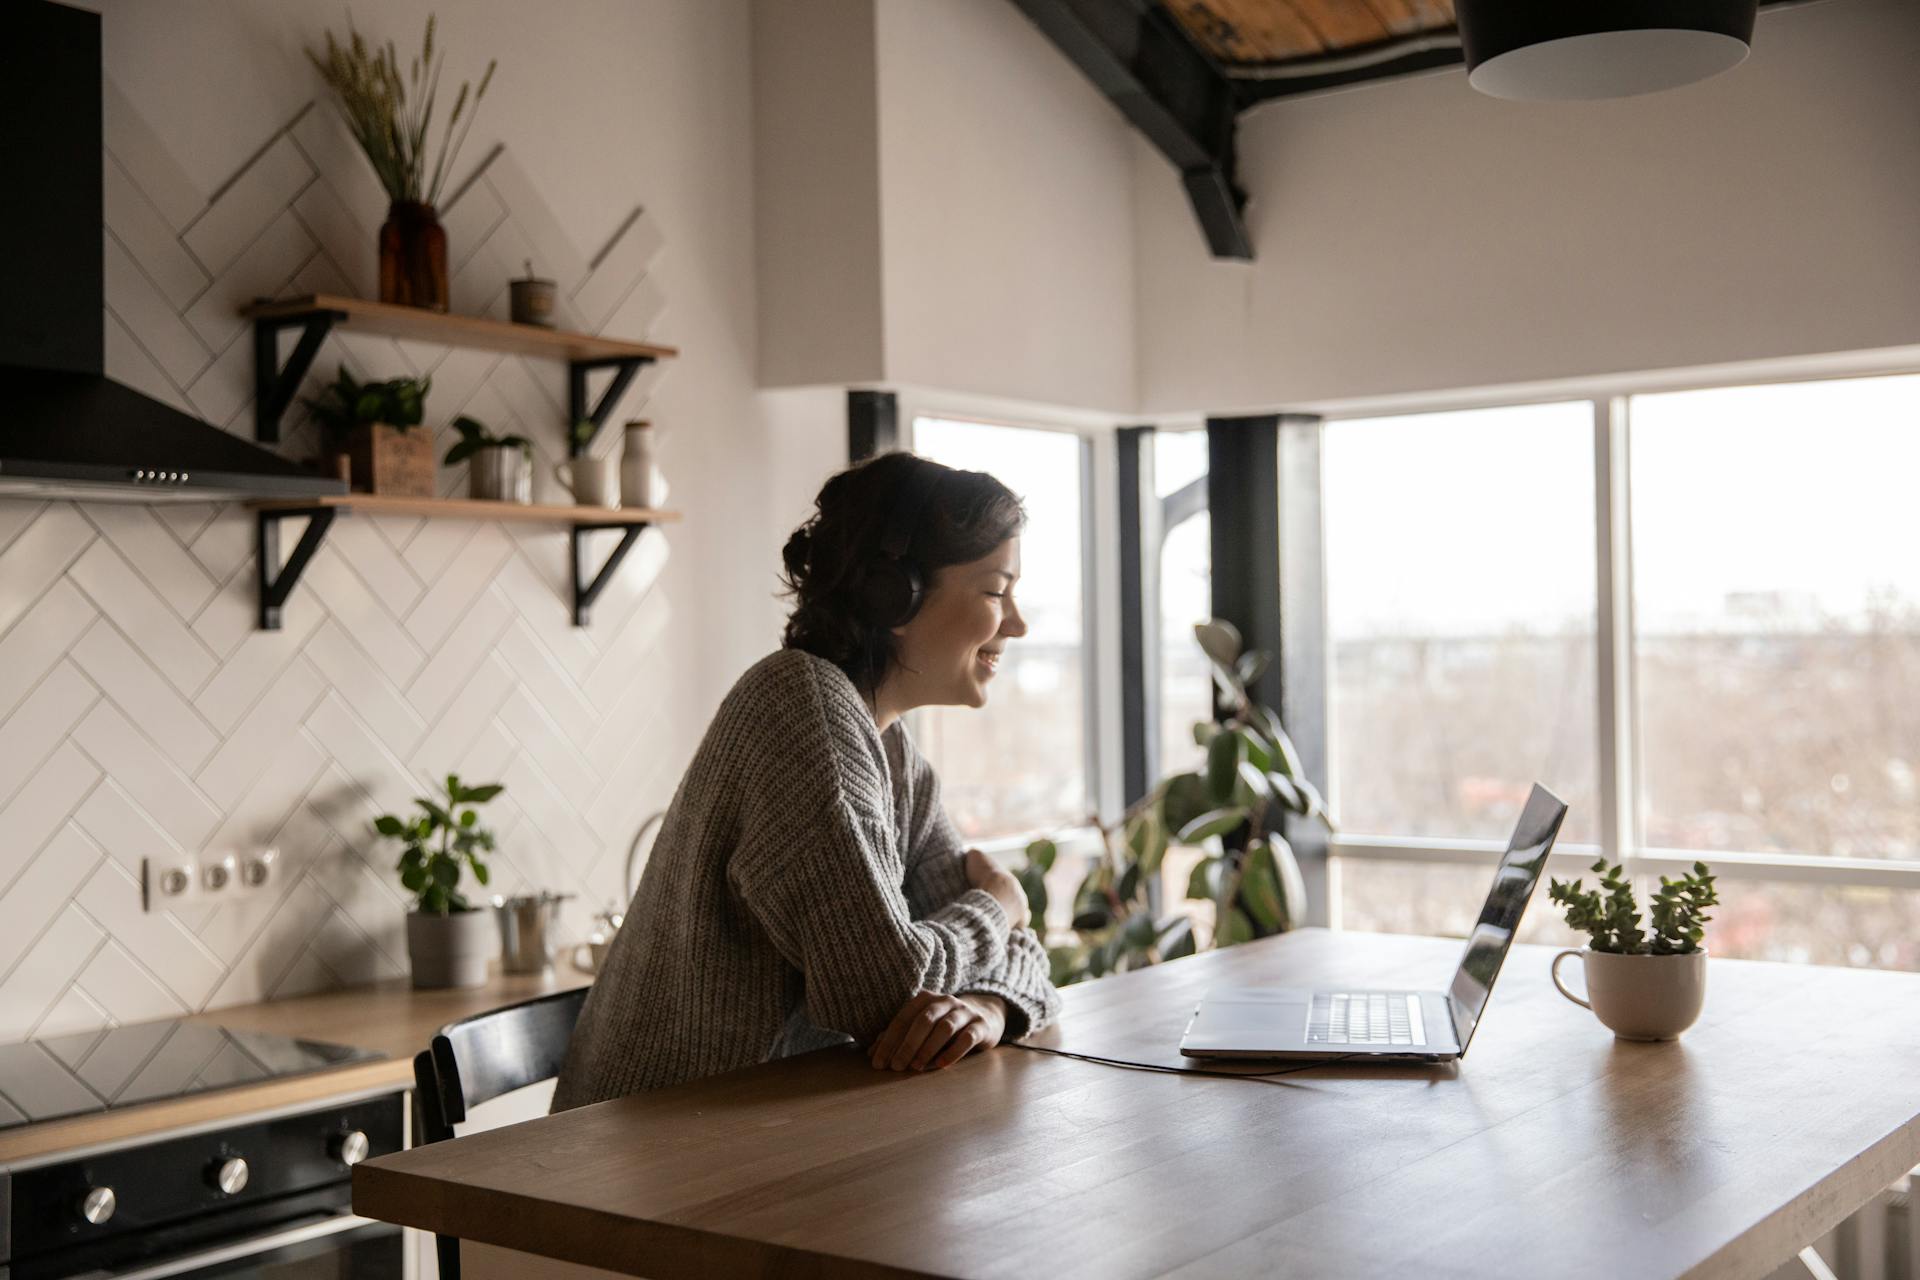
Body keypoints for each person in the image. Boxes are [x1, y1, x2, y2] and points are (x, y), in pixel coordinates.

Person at [552, 451, 1063, 1110]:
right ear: (894, 595)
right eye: (996, 591)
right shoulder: (801, 708)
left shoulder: (895, 753)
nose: (1017, 623)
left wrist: (990, 1006)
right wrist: (1000, 906)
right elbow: (885, 993)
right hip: (633, 1165)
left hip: (747, 1143)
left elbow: (1022, 964)